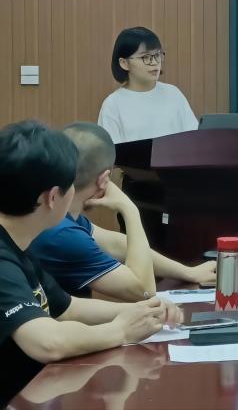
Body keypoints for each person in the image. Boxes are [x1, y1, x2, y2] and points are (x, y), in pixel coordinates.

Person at [0, 121, 181, 406]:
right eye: (71, 185)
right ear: (52, 197)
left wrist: (144, 312)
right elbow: (47, 342)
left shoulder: (19, 243)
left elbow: (67, 308)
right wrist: (120, 330)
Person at [29, 122, 216, 301]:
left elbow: (117, 245)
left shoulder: (58, 214)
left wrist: (189, 272)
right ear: (104, 179)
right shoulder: (61, 233)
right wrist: (130, 209)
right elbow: (144, 290)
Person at [98, 27, 198, 144]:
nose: (154, 62)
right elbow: (109, 152)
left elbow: (194, 139)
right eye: (145, 57)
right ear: (124, 63)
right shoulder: (113, 104)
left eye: (157, 55)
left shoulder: (173, 93)